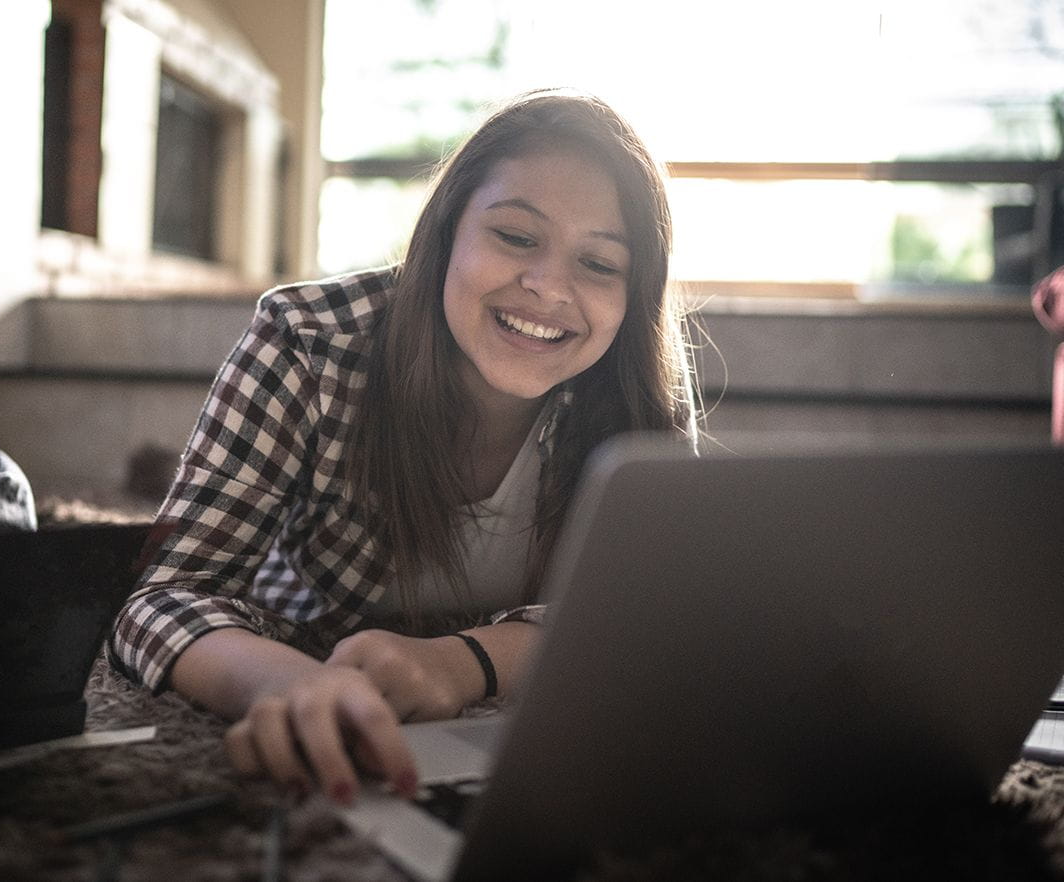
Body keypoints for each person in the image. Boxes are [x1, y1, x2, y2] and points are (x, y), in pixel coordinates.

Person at [110, 88, 699, 806]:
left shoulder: (632, 383)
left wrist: (463, 665)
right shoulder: (307, 340)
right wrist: (295, 686)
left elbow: (649, 613)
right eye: (516, 237)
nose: (549, 288)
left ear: (634, 294)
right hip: (310, 644)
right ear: (447, 229)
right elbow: (161, 596)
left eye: (600, 265)